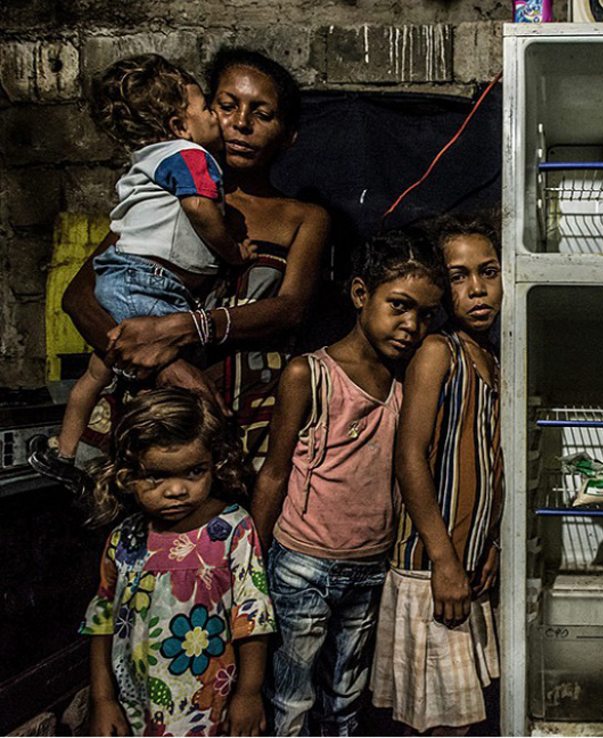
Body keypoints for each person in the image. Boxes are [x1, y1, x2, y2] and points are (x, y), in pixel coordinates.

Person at [60, 47, 330, 470]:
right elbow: (79, 298)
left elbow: (290, 309)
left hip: (252, 406)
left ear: (287, 135)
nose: (241, 123)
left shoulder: (305, 218)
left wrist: (185, 328)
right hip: (154, 405)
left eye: (262, 114)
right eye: (227, 105)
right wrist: (164, 365)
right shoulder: (165, 194)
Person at [29, 53, 254, 495]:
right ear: (179, 125)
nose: (219, 117)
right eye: (209, 108)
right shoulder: (190, 156)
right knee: (186, 396)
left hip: (124, 278)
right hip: (149, 284)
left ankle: (66, 455)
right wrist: (233, 252)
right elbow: (200, 210)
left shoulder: (148, 161)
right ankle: (223, 467)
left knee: (98, 373)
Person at [250, 231, 446, 735]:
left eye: (426, 315)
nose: (411, 326)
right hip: (301, 565)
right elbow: (273, 473)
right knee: (291, 700)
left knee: (344, 701)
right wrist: (250, 567)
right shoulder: (309, 374)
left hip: (368, 568)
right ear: (361, 294)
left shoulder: (406, 385)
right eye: (399, 305)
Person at [370, 214, 504, 735]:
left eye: (488, 272)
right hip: (430, 570)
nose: (477, 289)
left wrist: (492, 546)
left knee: (458, 722)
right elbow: (410, 458)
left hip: (468, 568)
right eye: (458, 276)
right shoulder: (437, 352)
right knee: (440, 725)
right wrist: (446, 562)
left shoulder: (492, 358)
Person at [78, 388, 276, 736]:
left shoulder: (233, 529)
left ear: (215, 463)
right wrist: (103, 699)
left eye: (194, 472)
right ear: (127, 475)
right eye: (156, 476)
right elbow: (102, 622)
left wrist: (248, 693)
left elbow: (253, 617)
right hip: (136, 708)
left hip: (209, 708)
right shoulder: (125, 539)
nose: (176, 490)